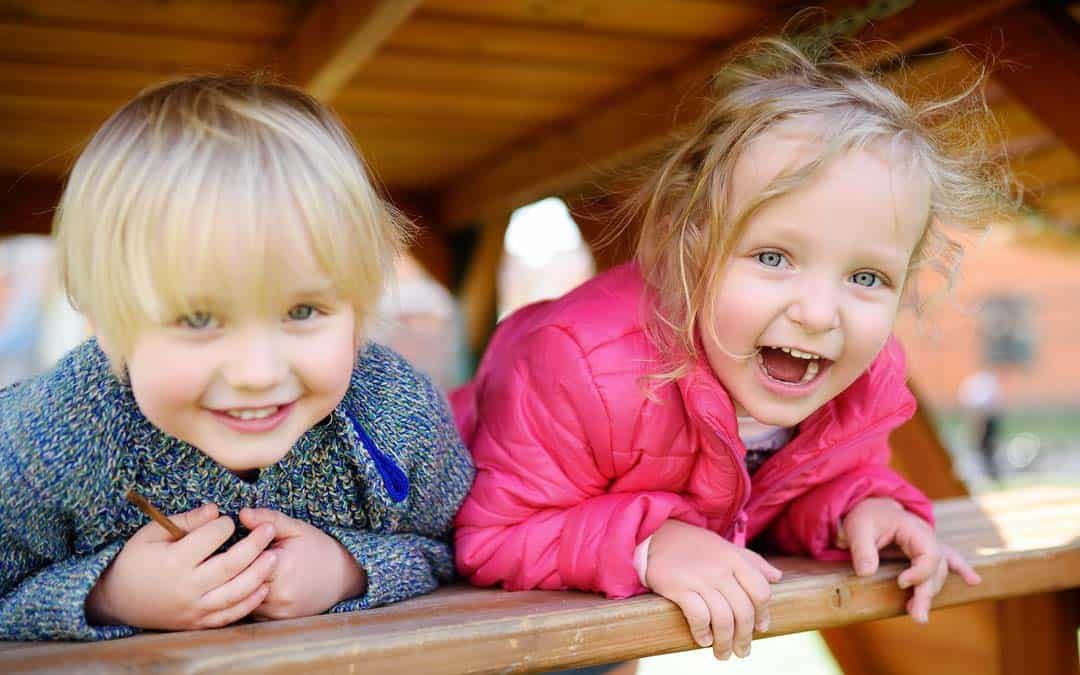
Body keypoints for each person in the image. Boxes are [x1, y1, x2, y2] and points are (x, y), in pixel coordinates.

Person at [452, 36, 1014, 663]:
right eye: (774, 258)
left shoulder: (860, 381)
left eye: (865, 278)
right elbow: (490, 536)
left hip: (595, 604)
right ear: (689, 249)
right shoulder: (579, 363)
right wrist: (655, 544)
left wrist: (863, 508)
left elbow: (790, 491)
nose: (818, 313)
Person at [0, 76, 474, 641]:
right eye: (199, 319)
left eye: (302, 310)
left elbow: (458, 549)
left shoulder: (400, 417)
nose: (258, 374)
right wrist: (106, 595)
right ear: (105, 324)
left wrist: (351, 569)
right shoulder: (52, 437)